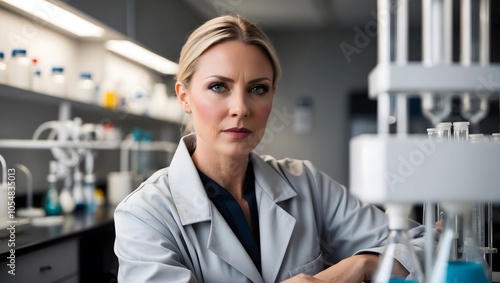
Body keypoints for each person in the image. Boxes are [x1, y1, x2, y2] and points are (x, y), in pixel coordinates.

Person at [114, 15, 427, 283]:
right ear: (184, 97)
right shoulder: (144, 214)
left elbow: (428, 244)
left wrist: (364, 264)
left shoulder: (305, 183)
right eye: (218, 87)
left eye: (257, 89)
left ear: (272, 95)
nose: (240, 108)